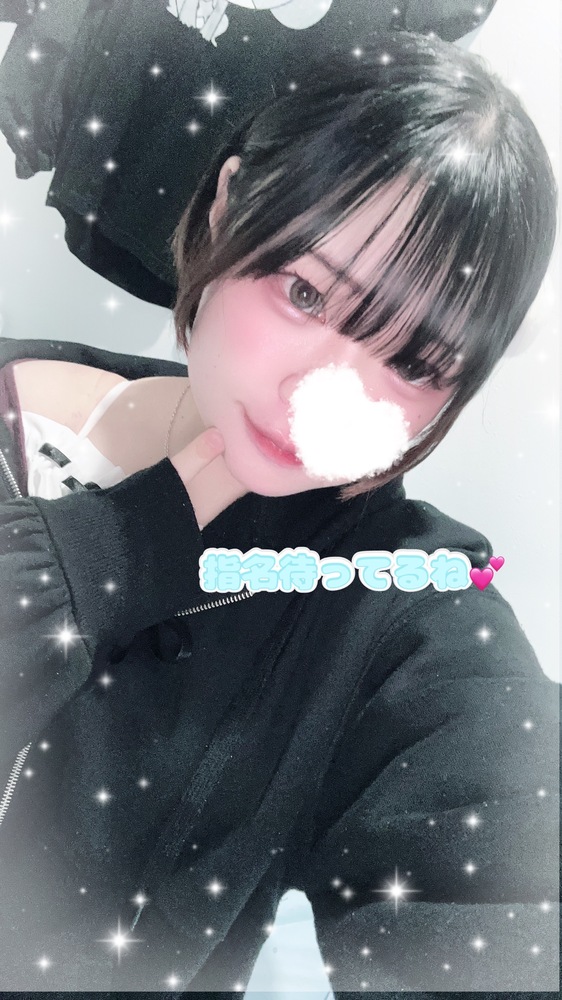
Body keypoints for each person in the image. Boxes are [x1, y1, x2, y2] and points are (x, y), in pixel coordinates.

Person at [0, 29, 558, 996]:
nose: (323, 398)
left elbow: (506, 889)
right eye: (306, 292)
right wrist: (118, 544)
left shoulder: (403, 605)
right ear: (228, 204)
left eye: (413, 362)